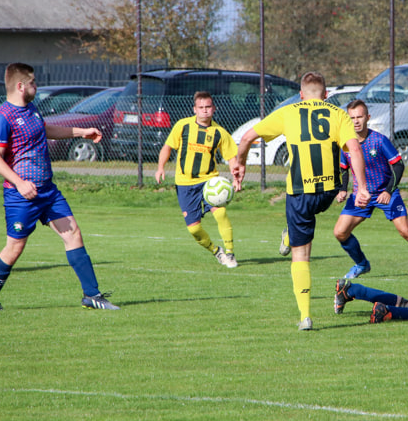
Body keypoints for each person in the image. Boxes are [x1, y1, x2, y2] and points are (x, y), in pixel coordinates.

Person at [232, 71, 370, 331]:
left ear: (301, 94)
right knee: (304, 225)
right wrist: (361, 187)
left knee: (301, 253)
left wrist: (239, 164)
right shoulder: (338, 113)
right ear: (326, 95)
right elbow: (355, 149)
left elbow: (249, 136)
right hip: (328, 191)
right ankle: (290, 233)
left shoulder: (289, 112)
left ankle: (305, 316)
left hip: (298, 191)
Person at [0, 63, 118, 311]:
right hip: (21, 196)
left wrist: (81, 132)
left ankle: (92, 295)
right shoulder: (3, 117)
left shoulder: (31, 110)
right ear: (21, 86)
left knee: (73, 233)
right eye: (33, 82)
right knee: (15, 248)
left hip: (48, 191)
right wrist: (20, 184)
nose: (36, 86)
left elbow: (46, 130)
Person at [333, 99, 408, 282]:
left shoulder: (379, 140)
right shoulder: (346, 144)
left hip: (385, 191)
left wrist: (389, 191)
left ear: (368, 117)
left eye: (359, 117)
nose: (356, 121)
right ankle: (361, 264)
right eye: (352, 118)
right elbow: (343, 168)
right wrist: (343, 189)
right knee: (340, 232)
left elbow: (398, 166)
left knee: (405, 230)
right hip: (361, 195)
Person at [155, 91, 240, 268]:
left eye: (208, 107)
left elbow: (232, 157)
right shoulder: (183, 126)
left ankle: (230, 253)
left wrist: (236, 175)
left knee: (221, 213)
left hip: (209, 182)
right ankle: (217, 252)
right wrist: (160, 167)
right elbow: (167, 147)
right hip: (185, 184)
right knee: (194, 229)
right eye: (201, 107)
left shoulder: (219, 132)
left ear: (214, 108)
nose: (204, 111)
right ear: (194, 109)